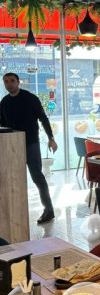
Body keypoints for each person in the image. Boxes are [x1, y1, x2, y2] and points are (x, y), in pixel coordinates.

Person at [0, 72, 57, 223]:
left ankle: (49, 210)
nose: (9, 84)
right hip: (12, 146)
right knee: (14, 178)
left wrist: (51, 138)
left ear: (18, 82)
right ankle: (14, 209)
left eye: (12, 81)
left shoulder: (30, 98)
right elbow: (2, 124)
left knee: (37, 177)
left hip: (31, 143)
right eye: (6, 81)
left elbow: (43, 118)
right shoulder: (4, 101)